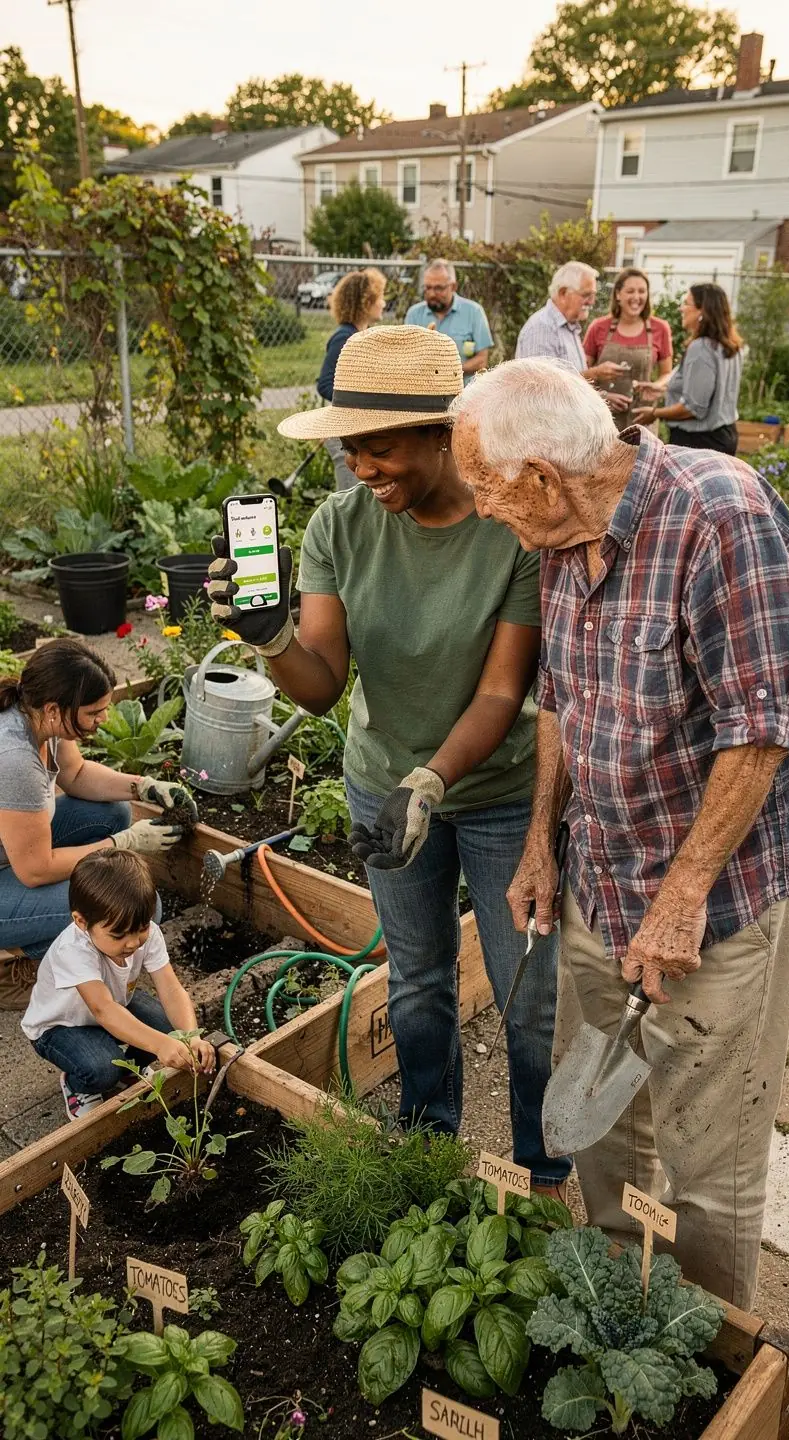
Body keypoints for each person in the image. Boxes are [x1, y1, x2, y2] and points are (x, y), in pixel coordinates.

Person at [450, 357, 789, 1308]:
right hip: (599, 882)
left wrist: (684, 895)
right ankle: (613, 1309)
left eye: (486, 488)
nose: (483, 508)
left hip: (717, 905)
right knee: (604, 1130)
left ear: (540, 476)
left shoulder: (721, 518)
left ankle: (714, 1362)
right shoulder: (561, 534)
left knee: (708, 1166)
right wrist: (541, 843)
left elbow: (764, 726)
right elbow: (561, 704)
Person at [208, 325, 570, 1193]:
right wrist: (271, 638)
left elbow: (499, 694)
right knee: (416, 983)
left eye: (379, 448)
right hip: (380, 782)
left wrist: (433, 780)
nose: (361, 469)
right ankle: (429, 1140)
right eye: (350, 450)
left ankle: (543, 1164)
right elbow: (323, 684)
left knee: (530, 995)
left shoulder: (507, 530)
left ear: (444, 435)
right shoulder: (339, 526)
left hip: (494, 794)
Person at [0, 640, 194, 1009]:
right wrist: (123, 844)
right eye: (93, 712)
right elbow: (36, 870)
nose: (102, 719)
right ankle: (13, 967)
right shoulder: (13, 759)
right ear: (55, 709)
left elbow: (77, 774)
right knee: (136, 910)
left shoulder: (40, 719)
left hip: (11, 856)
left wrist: (144, 787)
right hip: (18, 869)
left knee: (114, 811)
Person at [22, 850, 215, 1120]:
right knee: (102, 1068)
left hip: (114, 1005)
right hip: (61, 1026)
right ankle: (78, 1085)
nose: (133, 942)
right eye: (119, 935)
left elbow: (171, 989)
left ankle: (129, 1071)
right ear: (81, 922)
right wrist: (160, 1046)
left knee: (172, 1028)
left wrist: (190, 1037)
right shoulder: (73, 950)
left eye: (141, 929)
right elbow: (103, 1010)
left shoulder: (144, 935)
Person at [632, 283, 744, 455]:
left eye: (686, 303)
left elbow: (694, 409)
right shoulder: (730, 346)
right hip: (724, 435)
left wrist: (654, 413)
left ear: (702, 311)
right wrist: (661, 389)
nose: (681, 308)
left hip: (698, 443)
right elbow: (704, 389)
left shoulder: (701, 348)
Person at [514, 262, 629, 400]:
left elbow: (568, 389)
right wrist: (594, 374)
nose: (592, 302)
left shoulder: (568, 326)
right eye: (586, 295)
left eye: (593, 295)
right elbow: (542, 390)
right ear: (563, 293)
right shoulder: (542, 328)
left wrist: (602, 397)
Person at [317, 268, 387, 491]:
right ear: (366, 302)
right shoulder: (344, 338)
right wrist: (363, 399)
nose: (383, 303)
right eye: (380, 297)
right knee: (350, 499)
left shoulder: (361, 336)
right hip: (346, 435)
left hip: (358, 431)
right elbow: (326, 383)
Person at [583, 268, 673, 432]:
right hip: (602, 420)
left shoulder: (660, 328)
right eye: (630, 291)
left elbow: (667, 373)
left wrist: (656, 386)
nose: (636, 297)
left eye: (642, 291)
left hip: (642, 420)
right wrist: (603, 396)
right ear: (618, 294)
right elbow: (582, 374)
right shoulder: (598, 327)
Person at [405, 260, 493, 384]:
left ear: (453, 286)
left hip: (463, 393)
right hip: (424, 391)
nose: (431, 294)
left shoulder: (474, 312)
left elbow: (481, 360)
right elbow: (406, 357)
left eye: (439, 288)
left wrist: (449, 372)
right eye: (428, 288)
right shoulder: (414, 315)